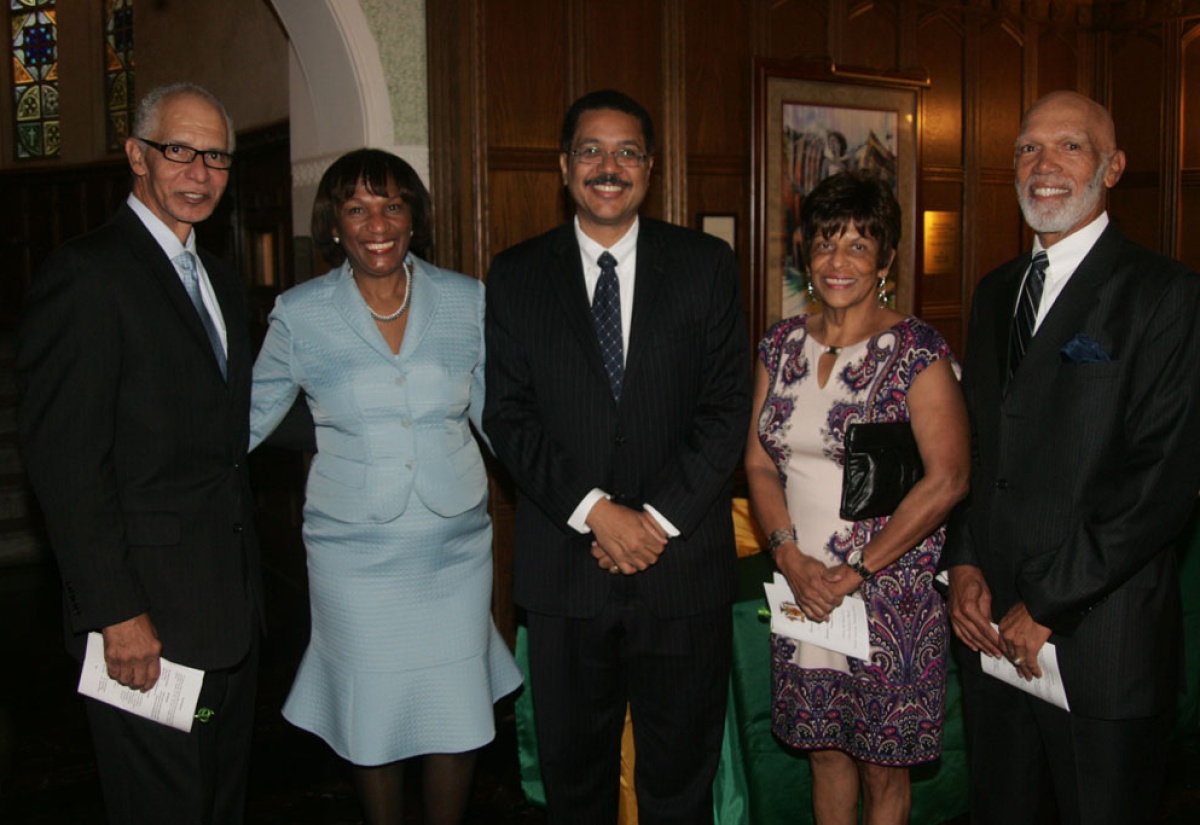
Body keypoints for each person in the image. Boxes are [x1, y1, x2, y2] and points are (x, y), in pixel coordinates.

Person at [483, 89, 751, 824]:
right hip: (567, 574)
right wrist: (597, 512)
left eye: (628, 151)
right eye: (592, 151)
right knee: (575, 784)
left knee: (680, 782)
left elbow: (727, 407)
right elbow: (508, 415)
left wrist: (654, 521)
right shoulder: (515, 273)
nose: (610, 167)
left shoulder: (705, 264)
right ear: (564, 165)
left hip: (682, 572)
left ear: (651, 167)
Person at [943, 90, 1200, 824]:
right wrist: (962, 564)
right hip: (990, 636)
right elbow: (979, 447)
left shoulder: (1167, 296)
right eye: (1028, 147)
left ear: (1113, 167)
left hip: (1100, 644)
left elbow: (1161, 481)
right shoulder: (995, 293)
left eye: (1069, 146)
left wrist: (1050, 604)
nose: (1043, 165)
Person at [249, 148, 522, 825]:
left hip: (455, 548)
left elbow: (499, 419)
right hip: (353, 554)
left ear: (413, 218)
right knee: (372, 713)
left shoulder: (465, 299)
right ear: (334, 224)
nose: (378, 222)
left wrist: (579, 493)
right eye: (358, 207)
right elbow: (247, 419)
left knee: (455, 708)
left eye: (393, 204)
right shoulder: (301, 313)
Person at [17, 83, 261, 824]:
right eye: (178, 150)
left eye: (215, 156)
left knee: (217, 801)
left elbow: (224, 430)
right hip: (144, 626)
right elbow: (65, 465)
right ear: (136, 155)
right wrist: (116, 612)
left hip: (227, 616)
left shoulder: (218, 276)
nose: (198, 171)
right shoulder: (86, 275)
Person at [744, 172, 970, 824]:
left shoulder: (917, 351)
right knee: (823, 752)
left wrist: (857, 569)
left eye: (857, 246)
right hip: (803, 588)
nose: (837, 262)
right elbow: (759, 462)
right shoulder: (778, 345)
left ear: (887, 259)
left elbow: (949, 478)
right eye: (824, 244)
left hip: (889, 595)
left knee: (882, 767)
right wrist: (789, 558)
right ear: (804, 253)